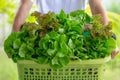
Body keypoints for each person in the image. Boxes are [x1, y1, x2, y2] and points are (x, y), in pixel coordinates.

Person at [12, 0, 119, 58]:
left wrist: (109, 37)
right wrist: (14, 39)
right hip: (44, 38)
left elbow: (96, 4)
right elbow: (25, 5)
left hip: (77, 37)